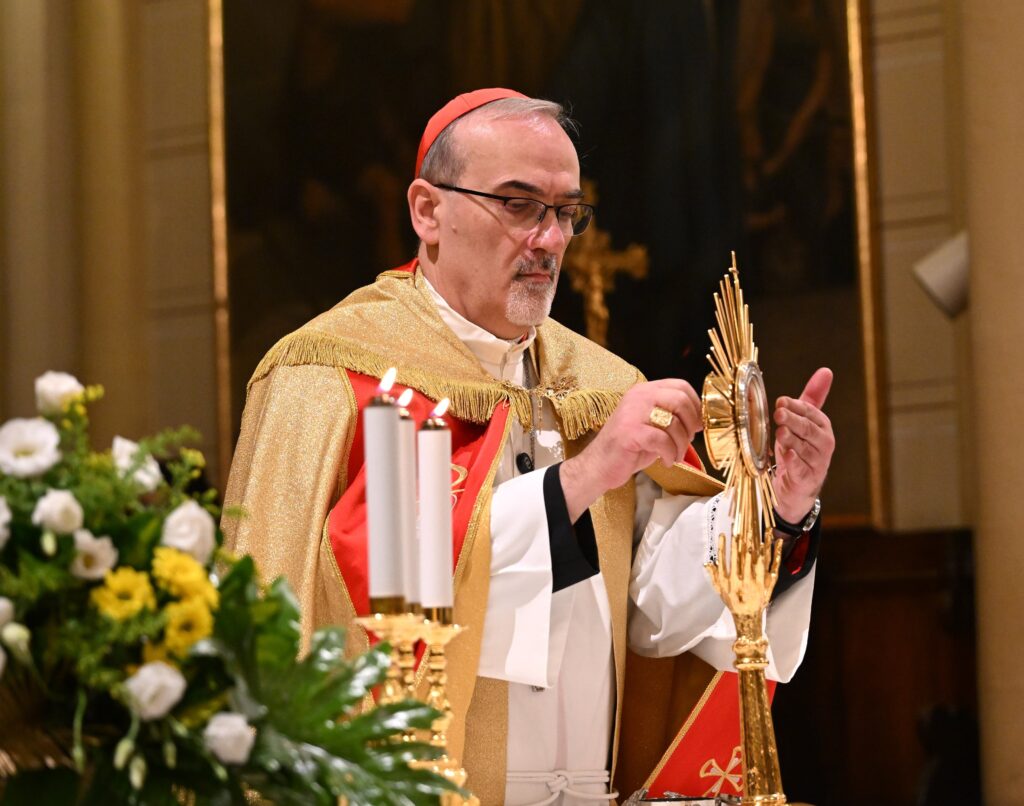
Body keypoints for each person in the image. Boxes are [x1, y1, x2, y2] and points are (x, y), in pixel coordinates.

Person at [223, 88, 835, 805]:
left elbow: (655, 608)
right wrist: (582, 477)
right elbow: (351, 598)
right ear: (428, 211)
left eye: (566, 211)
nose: (549, 240)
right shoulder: (330, 372)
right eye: (518, 205)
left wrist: (778, 508)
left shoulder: (598, 383)